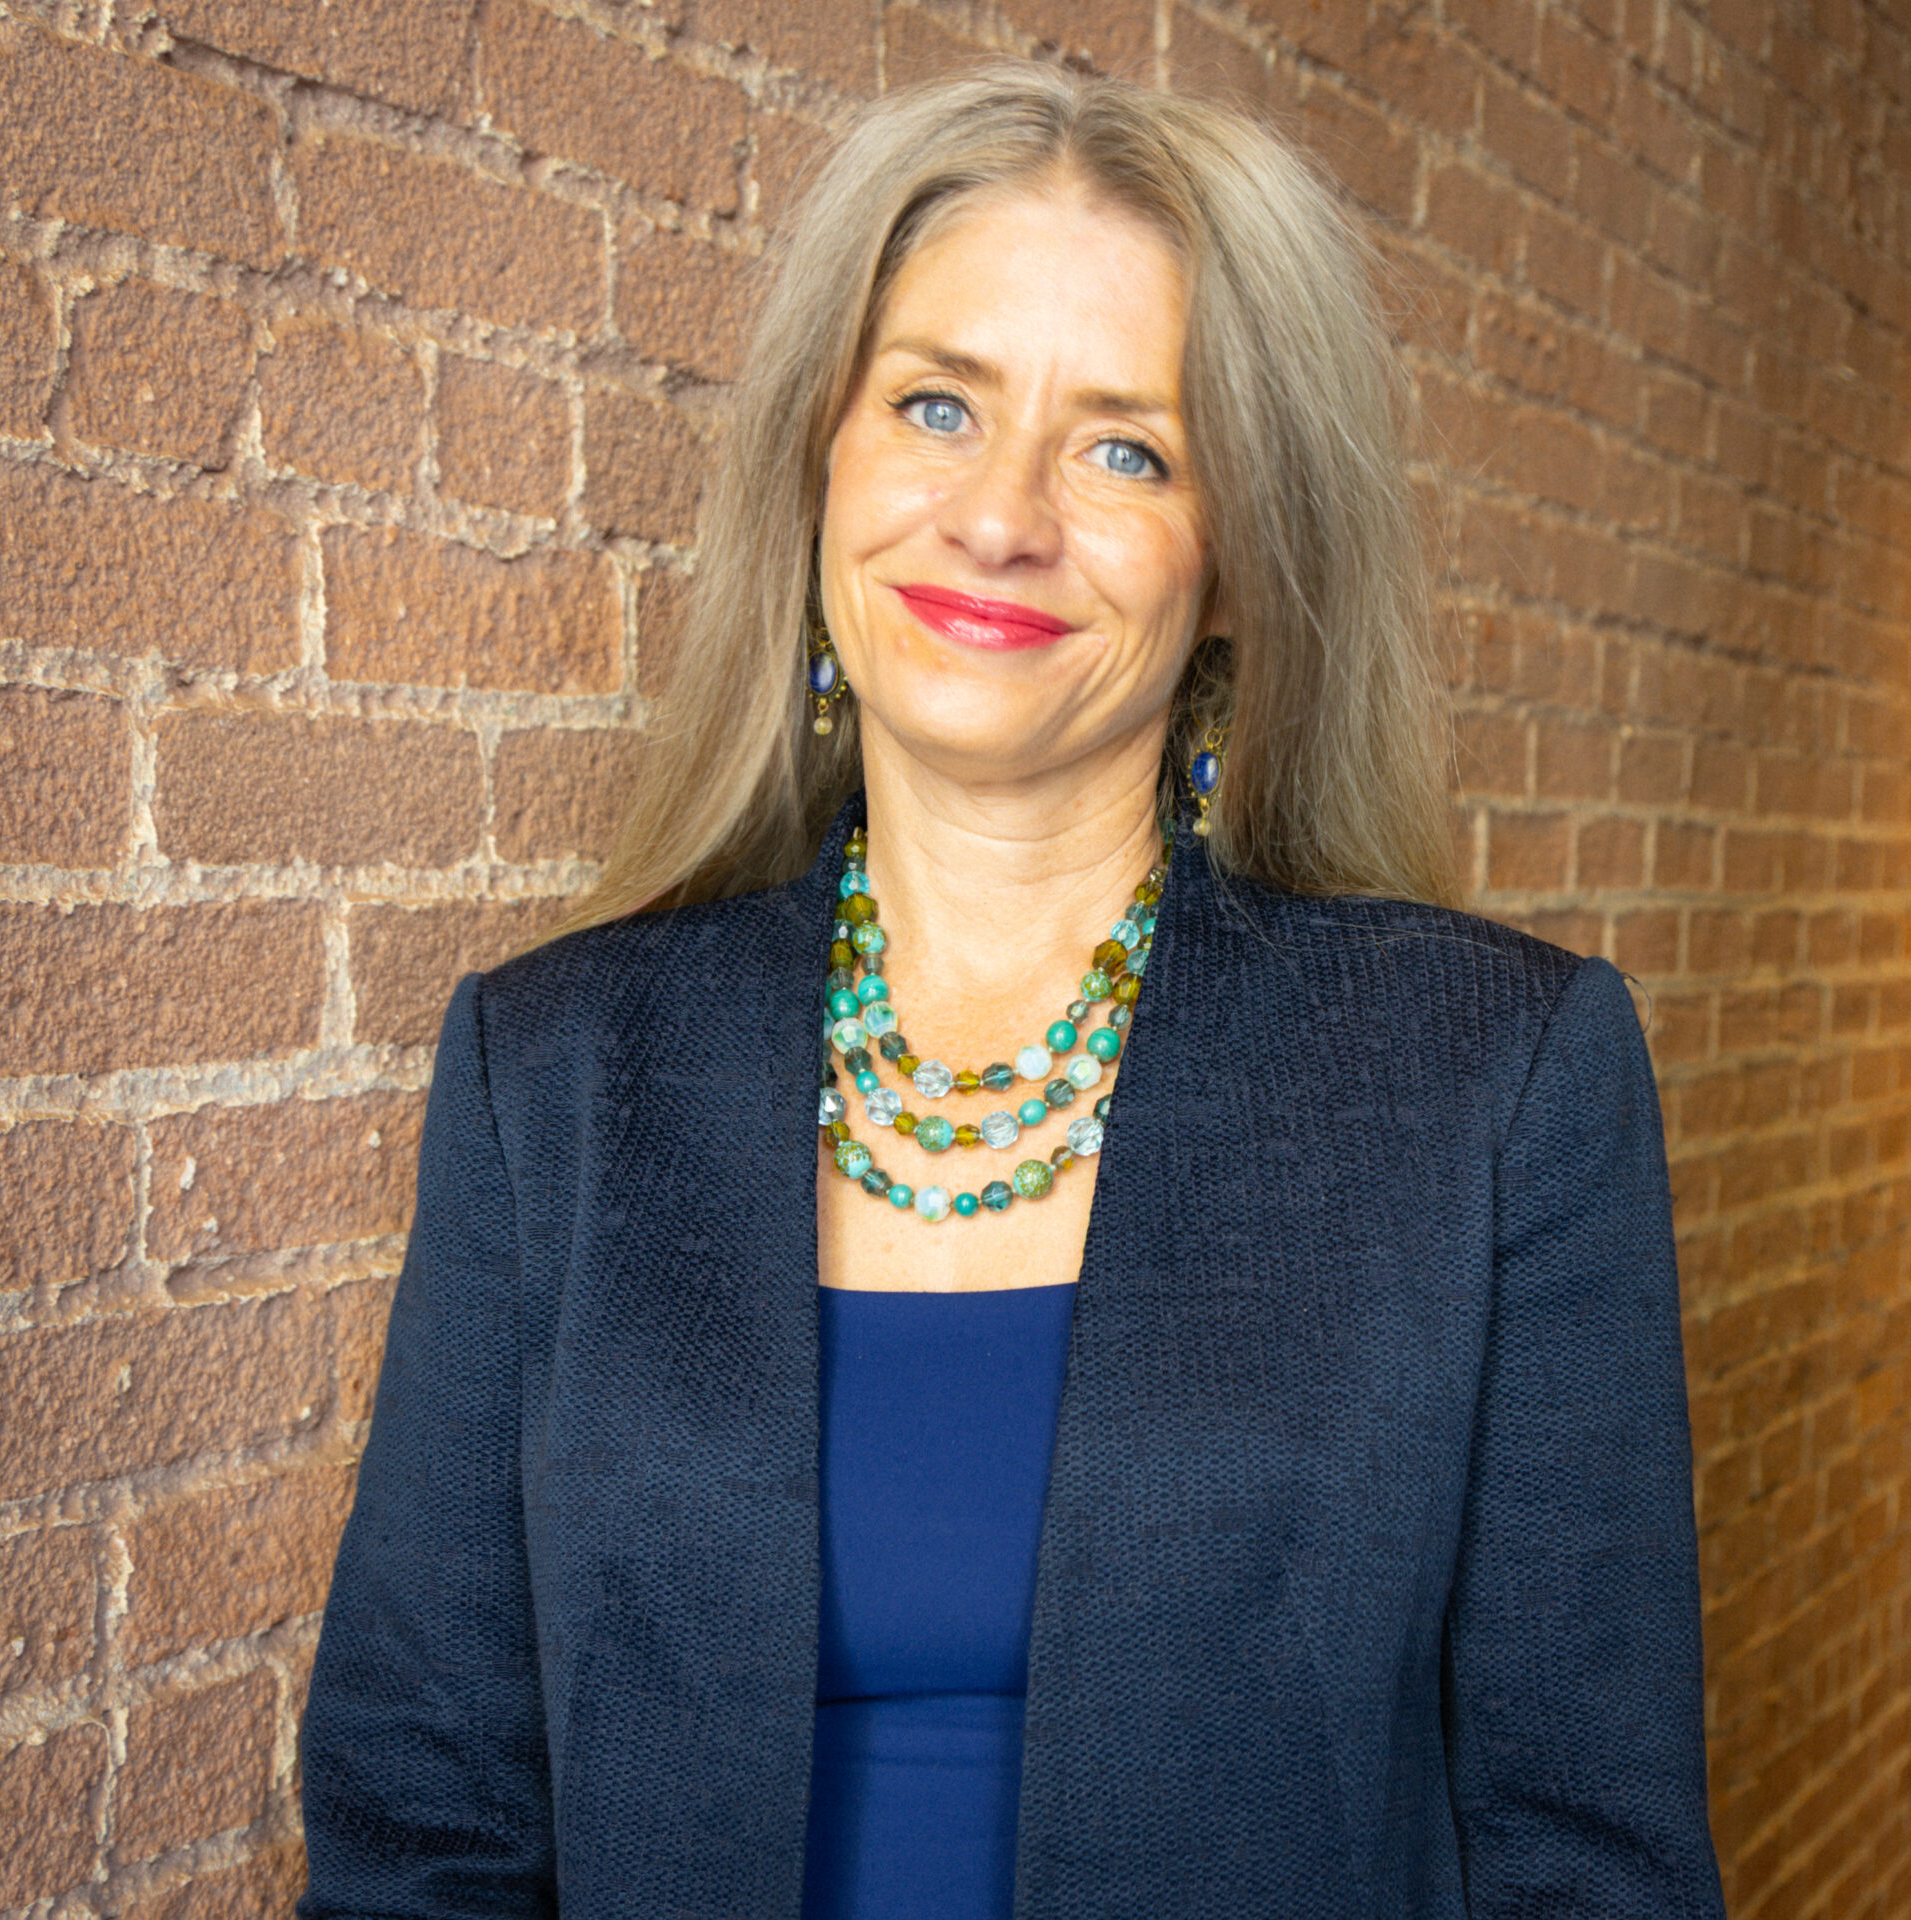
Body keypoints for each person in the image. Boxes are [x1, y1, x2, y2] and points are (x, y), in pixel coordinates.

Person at [297, 62, 1725, 1920]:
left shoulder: (1502, 1085)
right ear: (826, 458)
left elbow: (1589, 1859)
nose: (1000, 517)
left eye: (1126, 447)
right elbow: (423, 1829)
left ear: (1236, 566)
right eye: (938, 405)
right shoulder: (550, 1074)